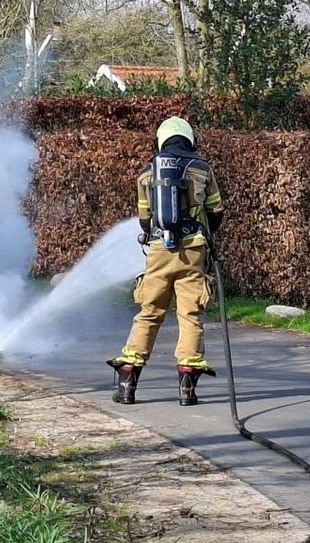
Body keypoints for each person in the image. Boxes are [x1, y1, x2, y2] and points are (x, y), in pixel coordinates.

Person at [107, 116, 225, 406]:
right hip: (193, 250)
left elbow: (145, 218)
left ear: (160, 140)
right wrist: (203, 230)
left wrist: (150, 234)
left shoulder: (147, 173)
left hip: (160, 251)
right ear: (189, 139)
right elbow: (216, 210)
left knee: (150, 312)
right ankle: (187, 385)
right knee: (190, 314)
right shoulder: (202, 168)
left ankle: (127, 383)